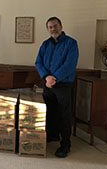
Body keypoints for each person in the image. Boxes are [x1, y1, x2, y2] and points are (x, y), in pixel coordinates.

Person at [35, 17, 79, 158]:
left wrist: (55, 78)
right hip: (48, 83)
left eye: (55, 26)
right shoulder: (45, 44)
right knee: (50, 112)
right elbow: (38, 62)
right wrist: (46, 77)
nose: (53, 29)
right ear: (47, 29)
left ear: (61, 26)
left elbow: (69, 64)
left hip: (63, 84)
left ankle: (65, 144)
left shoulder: (71, 43)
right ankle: (53, 136)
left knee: (64, 115)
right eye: (50, 27)